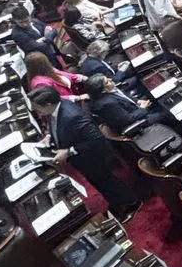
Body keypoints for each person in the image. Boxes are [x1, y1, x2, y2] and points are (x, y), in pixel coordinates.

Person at [29, 87, 141, 220]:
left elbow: (96, 139)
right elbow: (57, 127)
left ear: (48, 104)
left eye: (37, 108)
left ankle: (131, 203)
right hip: (82, 159)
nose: (36, 111)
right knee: (101, 184)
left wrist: (69, 151)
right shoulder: (56, 108)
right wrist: (50, 137)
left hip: (94, 157)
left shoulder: (72, 116)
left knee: (108, 183)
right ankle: (117, 203)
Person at [86, 75, 166, 133]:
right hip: (138, 123)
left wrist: (137, 101)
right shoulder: (108, 103)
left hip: (135, 108)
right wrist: (143, 108)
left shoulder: (110, 90)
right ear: (103, 90)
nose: (110, 79)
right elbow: (127, 119)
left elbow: (124, 96)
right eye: (107, 82)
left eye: (107, 78)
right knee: (167, 113)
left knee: (154, 96)